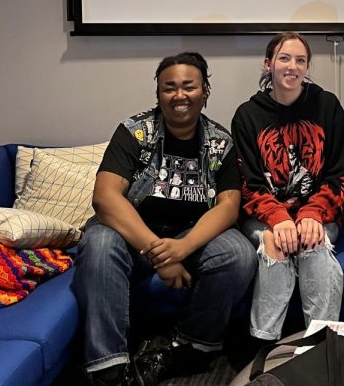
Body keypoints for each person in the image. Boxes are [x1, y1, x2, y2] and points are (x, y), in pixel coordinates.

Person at [75, 52, 256, 386]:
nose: (179, 95)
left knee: (239, 254)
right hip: (130, 234)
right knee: (98, 242)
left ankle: (189, 345)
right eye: (168, 88)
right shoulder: (134, 133)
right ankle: (108, 367)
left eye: (189, 86)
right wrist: (159, 253)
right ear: (158, 94)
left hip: (189, 235)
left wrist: (183, 247)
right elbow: (105, 197)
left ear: (205, 90)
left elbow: (229, 206)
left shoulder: (220, 142)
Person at [232, 31, 344, 340]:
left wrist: (312, 213)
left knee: (314, 245)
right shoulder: (248, 115)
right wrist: (278, 218)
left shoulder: (328, 106)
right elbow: (248, 184)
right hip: (265, 215)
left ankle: (321, 341)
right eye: (284, 58)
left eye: (300, 60)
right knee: (276, 245)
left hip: (318, 213)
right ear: (268, 63)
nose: (292, 67)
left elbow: (339, 174)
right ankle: (263, 342)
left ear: (308, 66)